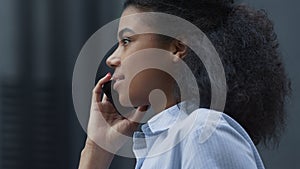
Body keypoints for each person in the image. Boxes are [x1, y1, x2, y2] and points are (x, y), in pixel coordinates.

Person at [78, 0, 291, 168]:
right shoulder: (166, 145)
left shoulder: (201, 133)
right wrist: (96, 150)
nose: (112, 59)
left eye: (126, 41)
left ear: (177, 48)